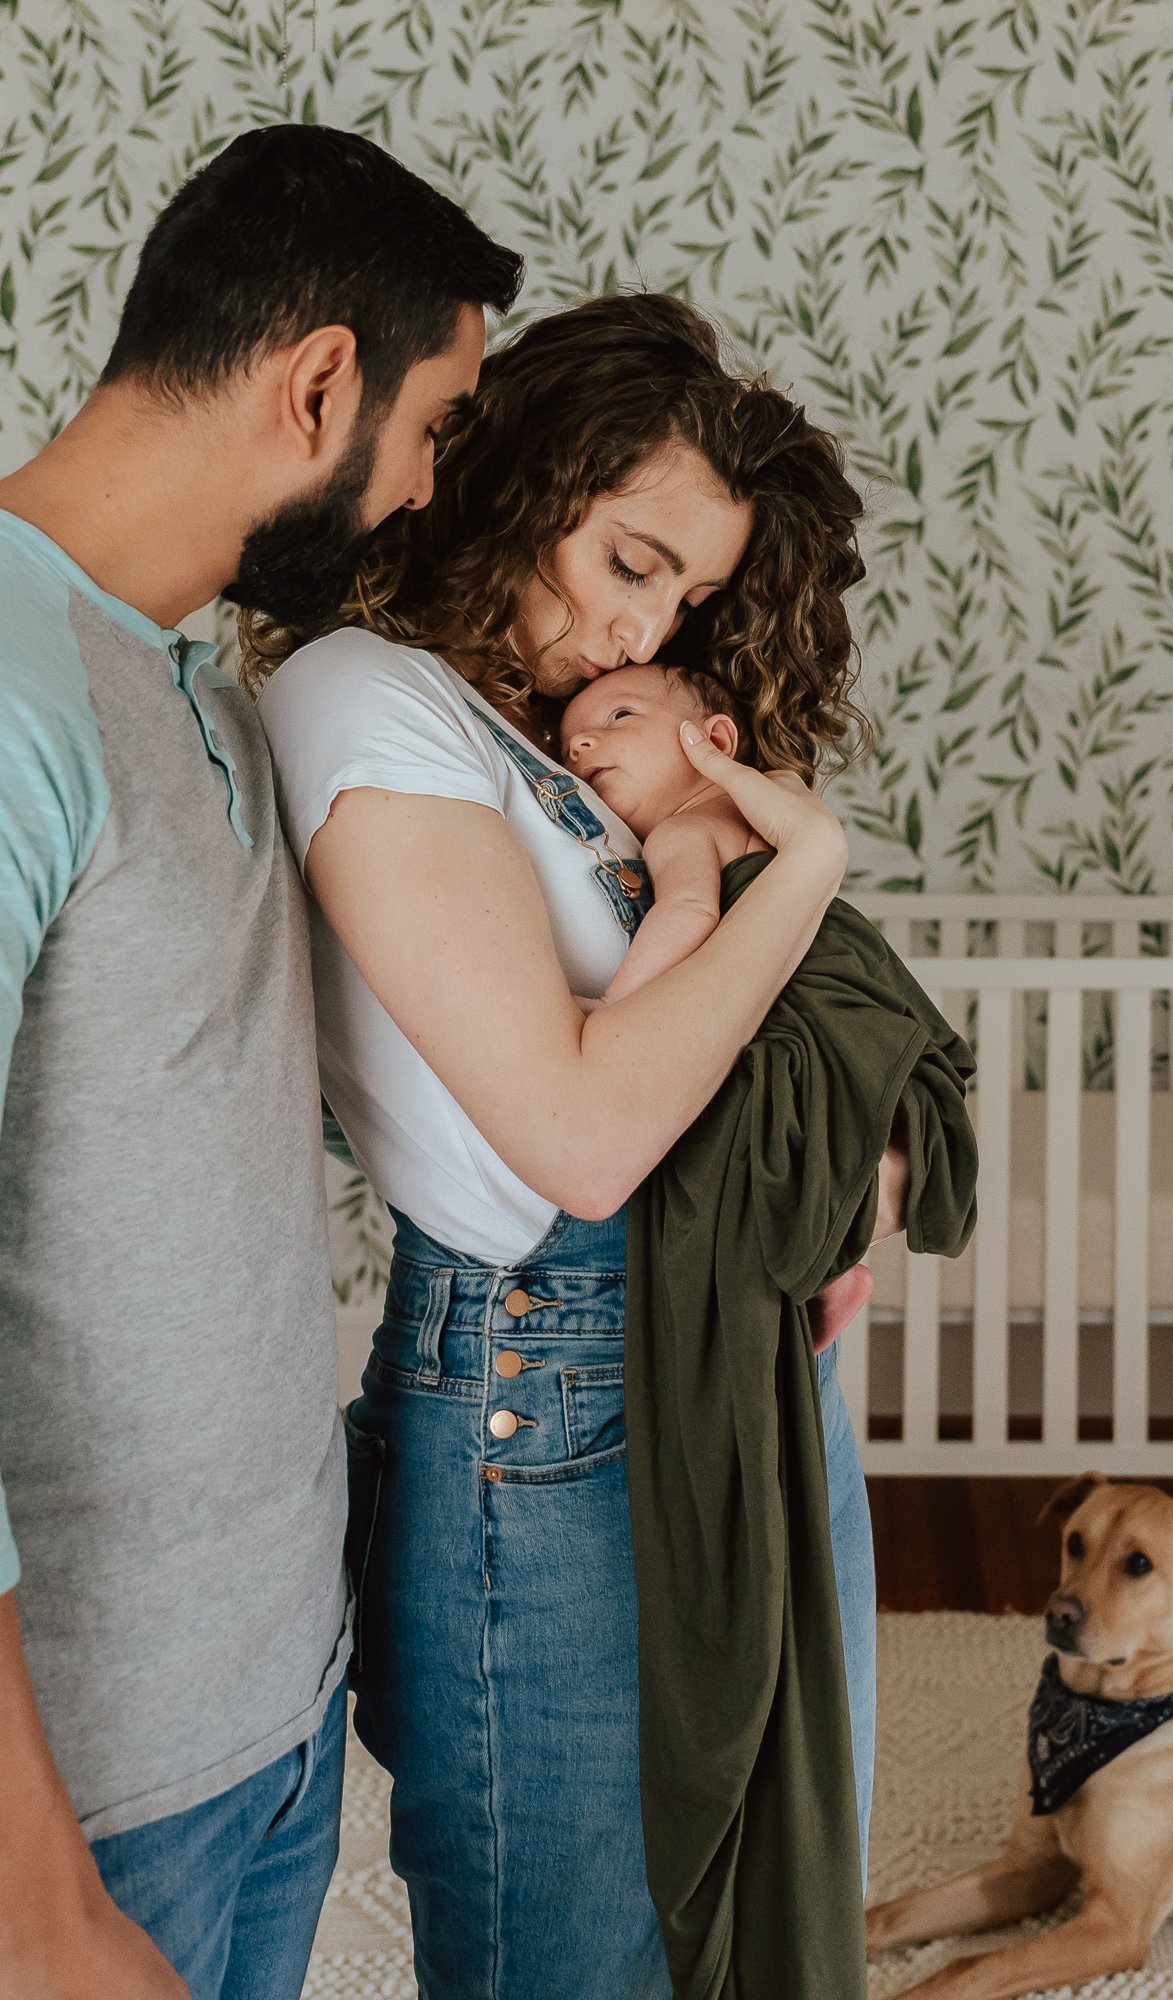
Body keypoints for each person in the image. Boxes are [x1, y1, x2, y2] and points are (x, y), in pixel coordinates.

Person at [250, 290, 904, 2000]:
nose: (643, 634)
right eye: (628, 561)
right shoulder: (363, 700)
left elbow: (734, 1051)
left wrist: (842, 1184)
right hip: (554, 1368)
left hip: (729, 1343)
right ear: (524, 478)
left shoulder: (551, 750)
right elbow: (590, 1134)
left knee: (763, 1884)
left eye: (683, 598)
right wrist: (807, 866)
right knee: (581, 1947)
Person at [0, 123, 520, 2000]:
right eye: (437, 428)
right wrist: (39, 1903)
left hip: (270, 1718)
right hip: (88, 1792)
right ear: (319, 383)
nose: (427, 492)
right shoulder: (7, 699)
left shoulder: (196, 686)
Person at [560, 659, 880, 1346]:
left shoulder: (684, 829)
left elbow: (687, 914)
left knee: (714, 1138)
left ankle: (814, 1264)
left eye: (619, 717)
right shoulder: (766, 811)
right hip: (840, 1028)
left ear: (714, 742)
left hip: (786, 1018)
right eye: (568, 743)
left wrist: (617, 1009)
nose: (581, 745)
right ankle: (829, 1264)